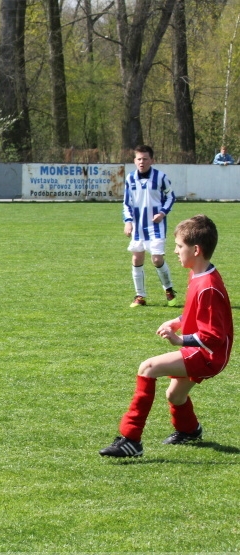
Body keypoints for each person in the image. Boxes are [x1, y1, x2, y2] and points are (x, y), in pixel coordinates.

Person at [100, 215, 233, 457]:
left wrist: (180, 339)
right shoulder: (198, 273)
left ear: (196, 250)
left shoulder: (209, 286)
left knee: (148, 367)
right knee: (174, 394)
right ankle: (189, 430)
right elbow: (195, 313)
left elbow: (214, 336)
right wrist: (177, 321)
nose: (174, 251)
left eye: (179, 246)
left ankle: (131, 439)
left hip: (208, 354)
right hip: (203, 350)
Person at [123, 144, 178, 308]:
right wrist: (127, 221)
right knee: (136, 257)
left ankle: (168, 289)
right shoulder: (130, 178)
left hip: (156, 226)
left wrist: (162, 213)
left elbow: (171, 197)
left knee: (156, 259)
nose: (142, 162)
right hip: (138, 227)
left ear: (151, 160)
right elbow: (127, 203)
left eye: (145, 159)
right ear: (134, 160)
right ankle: (140, 296)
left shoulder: (161, 177)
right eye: (139, 159)